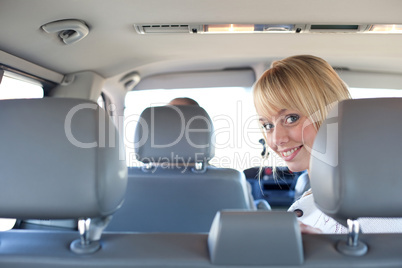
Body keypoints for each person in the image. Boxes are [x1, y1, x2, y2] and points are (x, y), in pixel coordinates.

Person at [253, 55, 402, 234]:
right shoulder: (315, 198)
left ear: (330, 113)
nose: (276, 139)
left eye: (291, 118)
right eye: (268, 125)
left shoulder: (378, 208)